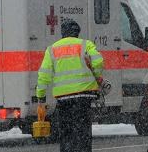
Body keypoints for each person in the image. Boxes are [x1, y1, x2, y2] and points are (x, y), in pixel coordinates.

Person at [36, 19, 104, 152]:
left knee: (66, 132)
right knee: (83, 132)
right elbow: (98, 61)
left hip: (63, 99)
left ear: (63, 33)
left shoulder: (52, 49)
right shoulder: (86, 44)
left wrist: (41, 96)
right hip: (83, 96)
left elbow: (44, 75)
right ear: (77, 33)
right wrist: (96, 75)